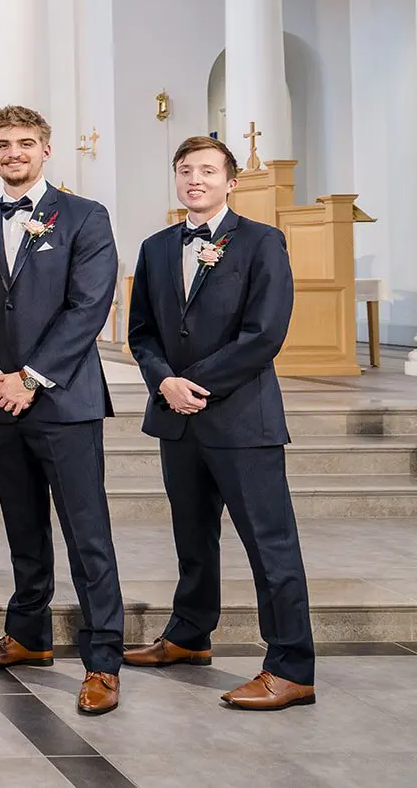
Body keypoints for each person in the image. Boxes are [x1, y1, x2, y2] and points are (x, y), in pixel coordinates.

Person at [124, 136, 315, 710]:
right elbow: (142, 333)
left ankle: (291, 667)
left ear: (231, 181)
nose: (195, 179)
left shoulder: (262, 241)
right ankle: (189, 634)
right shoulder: (157, 247)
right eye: (185, 170)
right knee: (192, 538)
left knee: (270, 546)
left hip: (241, 421)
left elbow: (265, 334)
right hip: (177, 420)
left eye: (207, 170)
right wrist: (164, 382)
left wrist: (192, 385)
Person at [0, 105, 125, 716]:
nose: (14, 153)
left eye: (25, 143)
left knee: (88, 535)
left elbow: (89, 306)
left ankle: (103, 659)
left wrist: (30, 378)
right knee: (22, 526)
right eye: (3, 143)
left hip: (64, 402)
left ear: (45, 149)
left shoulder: (85, 216)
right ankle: (28, 634)